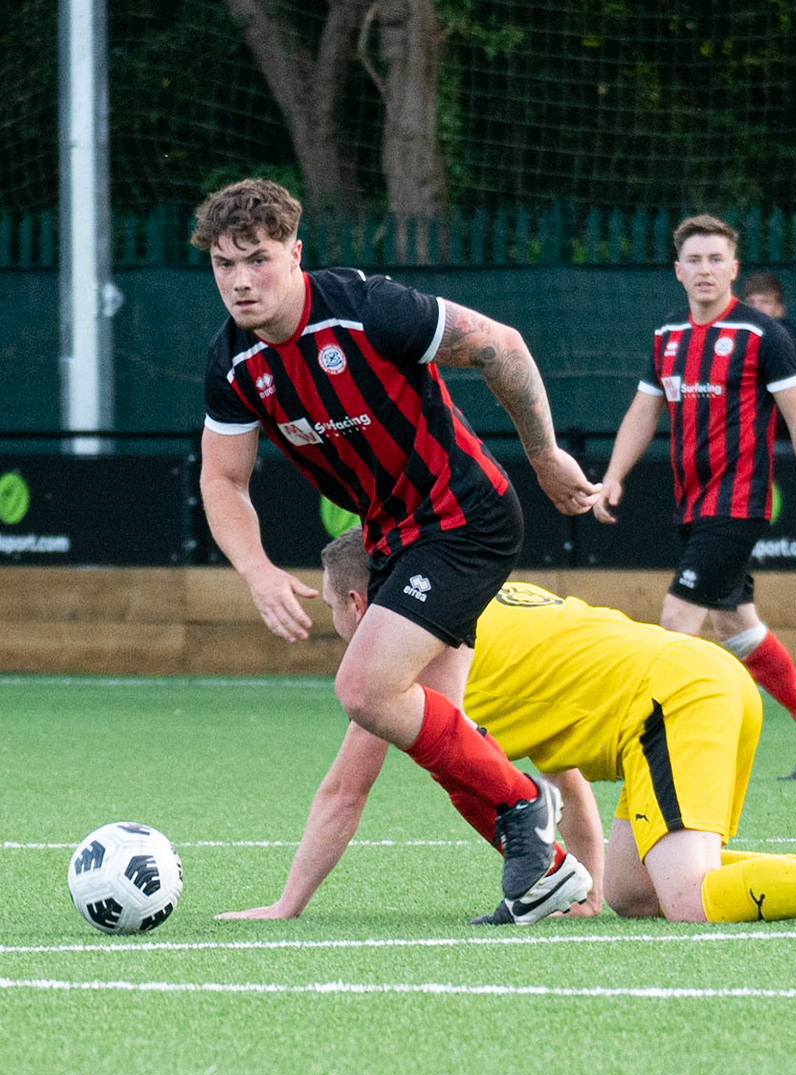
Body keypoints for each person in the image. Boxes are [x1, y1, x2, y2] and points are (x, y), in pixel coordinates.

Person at [195, 177, 604, 924]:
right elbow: (222, 481)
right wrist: (256, 570)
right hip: (396, 539)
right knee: (434, 734)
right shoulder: (232, 363)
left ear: (295, 254)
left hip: (467, 516)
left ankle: (526, 800)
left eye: (257, 259)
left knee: (363, 689)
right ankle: (552, 880)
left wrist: (544, 455)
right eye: (224, 264)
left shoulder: (367, 307)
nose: (240, 280)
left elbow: (502, 347)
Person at [218, 531, 796, 927]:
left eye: (333, 608)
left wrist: (288, 904)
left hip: (676, 700)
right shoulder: (479, 595)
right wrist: (590, 893)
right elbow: (563, 776)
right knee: (636, 893)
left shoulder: (413, 643)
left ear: (358, 601)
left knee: (689, 900)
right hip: (701, 683)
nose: (337, 624)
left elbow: (344, 792)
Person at [599, 214, 796, 782]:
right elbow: (644, 411)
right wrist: (614, 475)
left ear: (733, 268)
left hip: (736, 504)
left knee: (675, 621)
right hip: (691, 504)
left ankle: (653, 755)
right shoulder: (667, 336)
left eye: (716, 259)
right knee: (735, 626)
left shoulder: (763, 335)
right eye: (695, 260)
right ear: (678, 270)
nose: (705, 269)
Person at [741, 271, 796, 402]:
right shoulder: (737, 339)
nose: (757, 308)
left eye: (765, 302)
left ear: (780, 309)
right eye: (751, 302)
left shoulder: (793, 344)